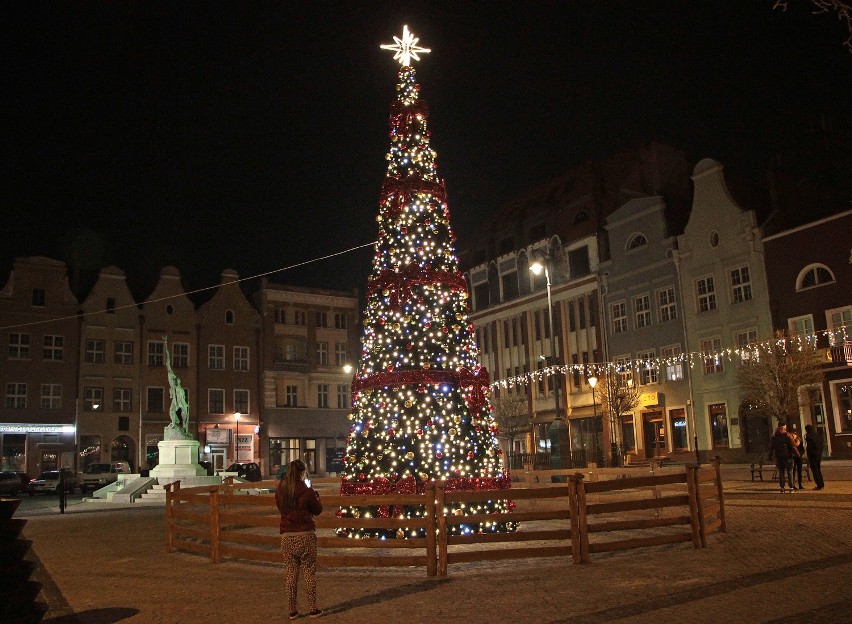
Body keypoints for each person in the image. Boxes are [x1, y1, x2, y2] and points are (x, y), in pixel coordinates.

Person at [275, 459, 323, 619]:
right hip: (305, 535)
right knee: (309, 572)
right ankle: (313, 608)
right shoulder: (307, 490)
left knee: (291, 574)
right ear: (302, 473)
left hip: (287, 536)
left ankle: (292, 610)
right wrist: (316, 497)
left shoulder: (280, 490)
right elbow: (317, 510)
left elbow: (281, 508)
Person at [767, 423, 798, 493]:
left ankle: (782, 487)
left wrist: (769, 456)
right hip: (788, 457)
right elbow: (793, 446)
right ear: (784, 427)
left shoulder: (774, 436)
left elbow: (771, 447)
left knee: (781, 472)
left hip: (779, 457)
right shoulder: (788, 436)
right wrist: (798, 455)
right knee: (789, 472)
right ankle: (791, 487)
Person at [805, 424, 825, 490]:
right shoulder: (817, 435)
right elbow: (821, 444)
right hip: (818, 455)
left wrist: (808, 455)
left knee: (814, 470)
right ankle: (822, 484)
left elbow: (809, 447)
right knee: (818, 469)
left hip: (813, 456)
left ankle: (819, 485)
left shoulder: (809, 436)